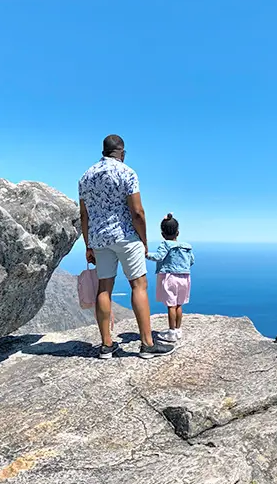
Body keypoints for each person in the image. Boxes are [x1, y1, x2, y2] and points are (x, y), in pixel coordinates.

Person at [79, 135, 176, 359]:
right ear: (121, 152)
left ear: (103, 151)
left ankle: (106, 346)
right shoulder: (127, 172)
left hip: (99, 239)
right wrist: (143, 240)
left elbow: (84, 214)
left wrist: (88, 245)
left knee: (104, 287)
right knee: (139, 285)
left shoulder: (86, 176)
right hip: (126, 236)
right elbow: (137, 212)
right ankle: (147, 345)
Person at [146, 214, 195, 342]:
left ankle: (171, 332)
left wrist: (146, 254)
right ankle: (178, 330)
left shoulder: (165, 245)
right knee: (179, 304)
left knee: (171, 306)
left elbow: (158, 257)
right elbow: (192, 261)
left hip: (170, 277)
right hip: (185, 278)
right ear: (177, 232)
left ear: (162, 234)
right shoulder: (186, 247)